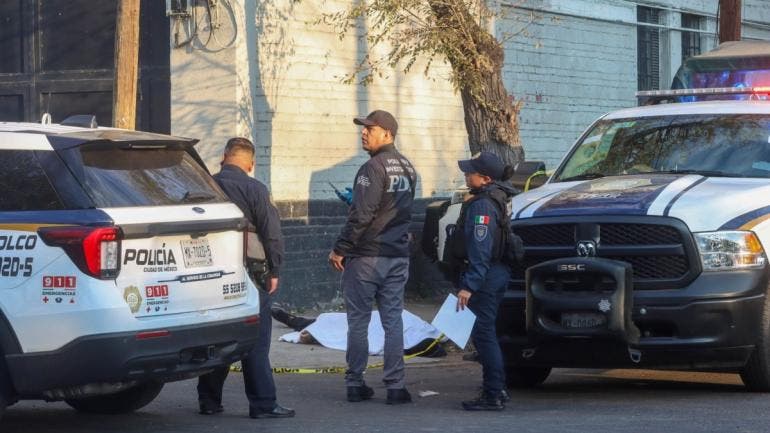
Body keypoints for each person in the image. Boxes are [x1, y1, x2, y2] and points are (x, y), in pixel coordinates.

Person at [196, 137, 295, 419]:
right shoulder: (256, 189)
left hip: (210, 274)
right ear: (250, 164)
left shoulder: (204, 185)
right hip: (250, 274)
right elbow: (272, 233)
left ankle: (209, 400)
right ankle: (263, 404)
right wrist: (275, 271)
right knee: (256, 339)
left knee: (219, 337)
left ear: (223, 157)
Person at [328, 109, 417, 405]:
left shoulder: (372, 168)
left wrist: (341, 248)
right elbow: (401, 213)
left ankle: (355, 383)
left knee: (358, 321)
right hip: (397, 256)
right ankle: (396, 387)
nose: (364, 132)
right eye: (364, 128)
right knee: (393, 320)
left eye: (371, 128)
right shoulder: (408, 167)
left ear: (388, 134)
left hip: (367, 256)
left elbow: (362, 215)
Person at [454, 151, 516, 411]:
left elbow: (480, 249)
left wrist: (469, 286)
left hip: (486, 277)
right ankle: (497, 389)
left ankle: (493, 393)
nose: (466, 175)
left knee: (484, 335)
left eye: (471, 172)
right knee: (486, 333)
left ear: (486, 178)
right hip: (494, 274)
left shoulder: (482, 205)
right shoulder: (496, 198)